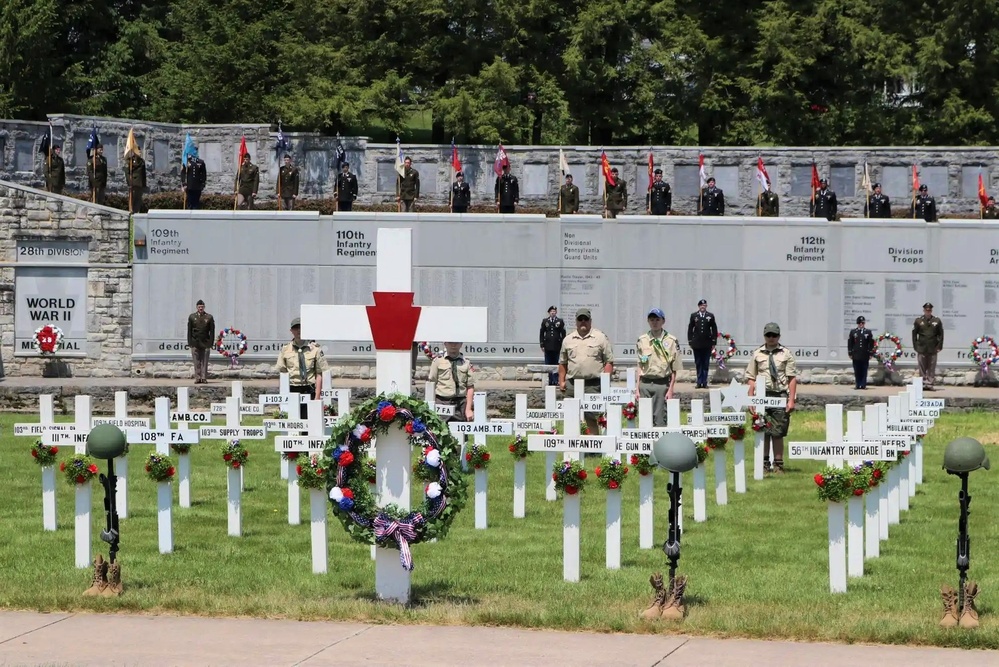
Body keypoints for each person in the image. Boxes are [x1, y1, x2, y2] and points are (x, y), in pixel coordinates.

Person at [745, 322, 797, 474]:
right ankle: (764, 463)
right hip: (762, 395)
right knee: (763, 429)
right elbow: (751, 377)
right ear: (764, 336)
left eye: (774, 335)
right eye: (769, 335)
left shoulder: (785, 353)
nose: (771, 338)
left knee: (778, 431)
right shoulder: (757, 354)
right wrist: (751, 398)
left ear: (779, 336)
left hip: (779, 394)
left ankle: (779, 464)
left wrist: (791, 399)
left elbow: (792, 378)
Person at [558, 308, 614, 435]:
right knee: (570, 416)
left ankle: (593, 447)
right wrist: (561, 381)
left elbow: (609, 362)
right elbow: (562, 363)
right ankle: (572, 445)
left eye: (586, 319)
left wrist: (605, 382)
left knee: (591, 417)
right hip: (572, 383)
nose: (583, 322)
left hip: (593, 384)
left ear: (590, 321)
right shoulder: (568, 339)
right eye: (580, 319)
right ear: (576, 321)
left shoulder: (600, 338)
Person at [275, 317, 329, 418]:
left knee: (310, 421)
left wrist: (317, 397)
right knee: (293, 423)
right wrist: (281, 398)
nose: (299, 330)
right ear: (291, 331)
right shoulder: (285, 349)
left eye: (301, 327)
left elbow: (319, 373)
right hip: (292, 389)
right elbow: (283, 373)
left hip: (309, 389)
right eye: (296, 328)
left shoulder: (315, 349)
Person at [635, 308, 680, 427]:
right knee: (644, 421)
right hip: (645, 383)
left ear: (663, 321)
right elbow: (640, 365)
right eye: (651, 319)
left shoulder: (671, 341)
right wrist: (637, 388)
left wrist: (670, 389)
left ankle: (659, 445)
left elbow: (674, 368)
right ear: (648, 321)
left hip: (662, 384)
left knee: (660, 420)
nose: (654, 322)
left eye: (657, 319)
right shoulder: (642, 340)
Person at [428, 342, 474, 422]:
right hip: (442, 402)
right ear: (445, 344)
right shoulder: (438, 361)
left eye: (456, 343)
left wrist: (468, 409)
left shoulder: (466, 363)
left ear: (461, 344)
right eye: (450, 343)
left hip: (460, 403)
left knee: (460, 433)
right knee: (440, 431)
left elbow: (470, 386)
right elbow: (431, 383)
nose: (453, 345)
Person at [687, 299, 718, 389]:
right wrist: (690, 340)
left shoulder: (710, 316)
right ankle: (699, 381)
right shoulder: (694, 316)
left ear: (706, 306)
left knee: (705, 364)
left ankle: (704, 382)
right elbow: (690, 328)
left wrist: (714, 341)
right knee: (698, 363)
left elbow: (714, 329)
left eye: (704, 305)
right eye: (701, 305)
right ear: (699, 306)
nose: (702, 307)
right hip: (697, 343)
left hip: (707, 344)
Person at [912, 302, 943, 390]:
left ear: (931, 311)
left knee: (931, 367)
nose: (928, 312)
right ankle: (922, 383)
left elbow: (941, 334)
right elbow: (914, 334)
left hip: (933, 347)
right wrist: (915, 346)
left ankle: (930, 383)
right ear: (924, 310)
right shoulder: (919, 321)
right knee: (922, 366)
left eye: (929, 310)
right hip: (922, 347)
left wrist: (939, 346)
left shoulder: (937, 321)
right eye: (926, 310)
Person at [187, 299, 215, 384]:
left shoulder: (209, 317)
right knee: (196, 361)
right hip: (195, 342)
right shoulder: (192, 317)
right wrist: (190, 342)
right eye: (199, 307)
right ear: (197, 307)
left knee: (205, 361)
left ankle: (204, 377)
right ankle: (198, 377)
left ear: (204, 307)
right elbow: (189, 330)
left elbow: (212, 331)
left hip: (205, 342)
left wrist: (211, 343)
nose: (200, 308)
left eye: (202, 307)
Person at [539, 306, 566, 386]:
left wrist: (563, 344)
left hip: (557, 346)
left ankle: (556, 380)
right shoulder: (545, 321)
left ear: (556, 312)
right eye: (551, 311)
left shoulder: (560, 321)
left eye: (554, 311)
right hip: (547, 346)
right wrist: (542, 344)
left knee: (556, 363)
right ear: (549, 313)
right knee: (548, 363)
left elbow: (563, 333)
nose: (553, 312)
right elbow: (542, 333)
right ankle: (550, 380)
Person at [847, 316, 874, 390]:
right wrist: (850, 352)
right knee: (857, 370)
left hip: (865, 354)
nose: (861, 324)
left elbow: (871, 343)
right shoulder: (853, 332)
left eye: (862, 323)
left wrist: (871, 353)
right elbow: (850, 343)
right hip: (856, 354)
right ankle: (858, 384)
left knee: (864, 370)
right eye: (860, 323)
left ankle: (863, 384)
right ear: (857, 323)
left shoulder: (868, 332)